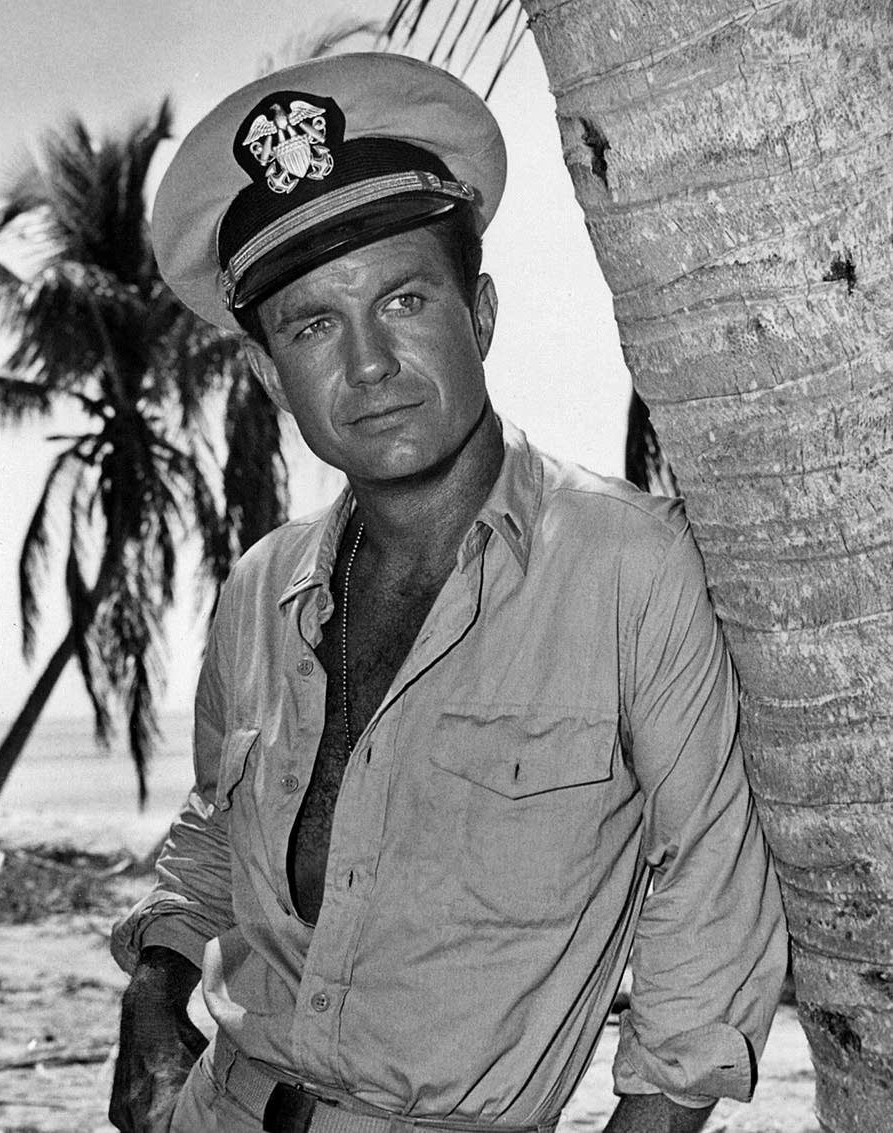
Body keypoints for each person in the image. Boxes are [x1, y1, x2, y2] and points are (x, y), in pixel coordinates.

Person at [109, 52, 787, 1133]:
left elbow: (713, 901)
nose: (370, 363)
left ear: (480, 313)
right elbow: (213, 836)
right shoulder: (259, 589)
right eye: (314, 325)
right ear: (271, 374)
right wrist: (153, 991)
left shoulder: (631, 568)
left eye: (405, 299)